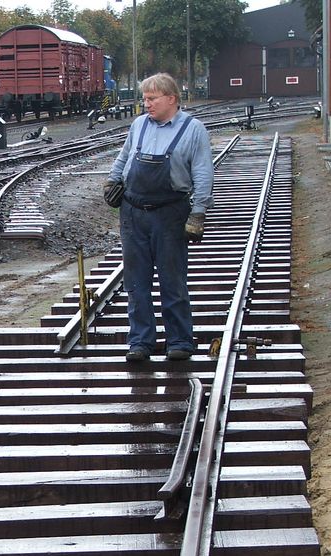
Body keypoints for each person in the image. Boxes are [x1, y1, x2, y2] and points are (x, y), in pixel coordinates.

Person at [104, 73, 214, 362]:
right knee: (136, 282)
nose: (146, 104)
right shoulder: (139, 125)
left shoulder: (193, 130)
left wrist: (198, 213)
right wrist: (112, 181)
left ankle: (180, 341)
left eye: (151, 99)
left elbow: (203, 173)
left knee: (172, 280)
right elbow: (125, 156)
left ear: (171, 99)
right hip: (133, 213)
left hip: (170, 213)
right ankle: (140, 342)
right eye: (145, 98)